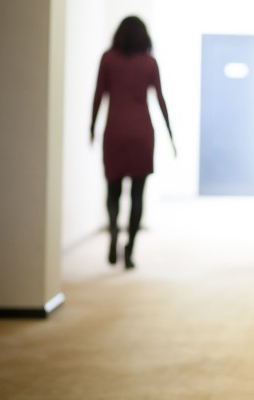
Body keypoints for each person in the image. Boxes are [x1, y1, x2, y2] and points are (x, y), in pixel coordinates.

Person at [90, 16, 176, 269]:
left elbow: (99, 95)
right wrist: (171, 135)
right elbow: (161, 100)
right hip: (141, 133)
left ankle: (114, 230)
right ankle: (129, 251)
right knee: (138, 194)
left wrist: (91, 126)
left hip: (114, 131)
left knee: (113, 191)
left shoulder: (108, 59)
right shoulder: (149, 63)